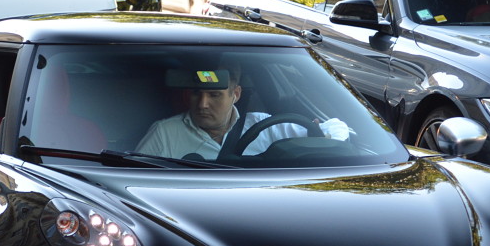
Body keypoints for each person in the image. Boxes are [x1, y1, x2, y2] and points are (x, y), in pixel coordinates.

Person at [135, 66, 347, 160]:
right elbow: (134, 177)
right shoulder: (165, 132)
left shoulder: (265, 126)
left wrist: (324, 136)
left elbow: (337, 127)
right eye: (197, 94)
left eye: (214, 95)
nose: (202, 104)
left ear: (235, 94)